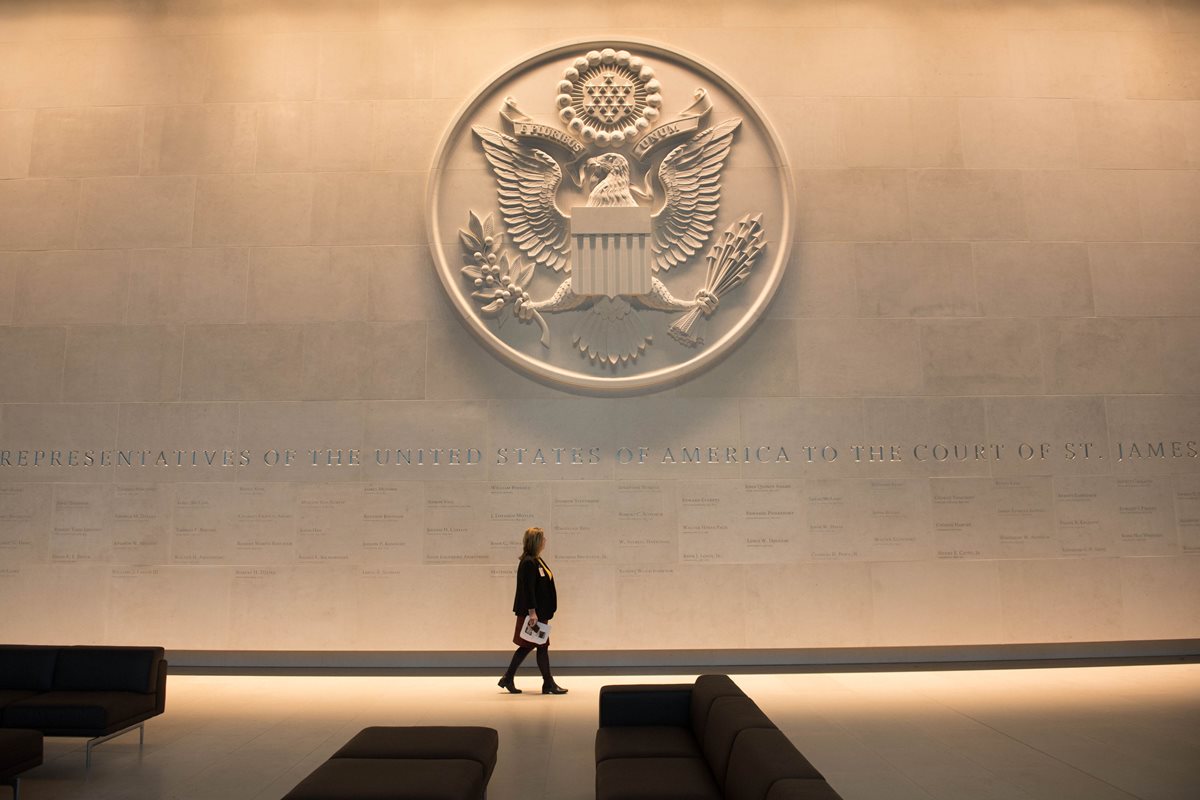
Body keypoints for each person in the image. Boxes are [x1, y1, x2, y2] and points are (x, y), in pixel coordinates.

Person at [498, 527, 567, 695]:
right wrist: (532, 613)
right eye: (542, 538)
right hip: (534, 614)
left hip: (540, 613)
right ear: (536, 541)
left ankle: (509, 678)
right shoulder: (529, 562)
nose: (545, 541)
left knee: (532, 646)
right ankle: (547, 683)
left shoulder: (537, 560)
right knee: (537, 646)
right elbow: (527, 590)